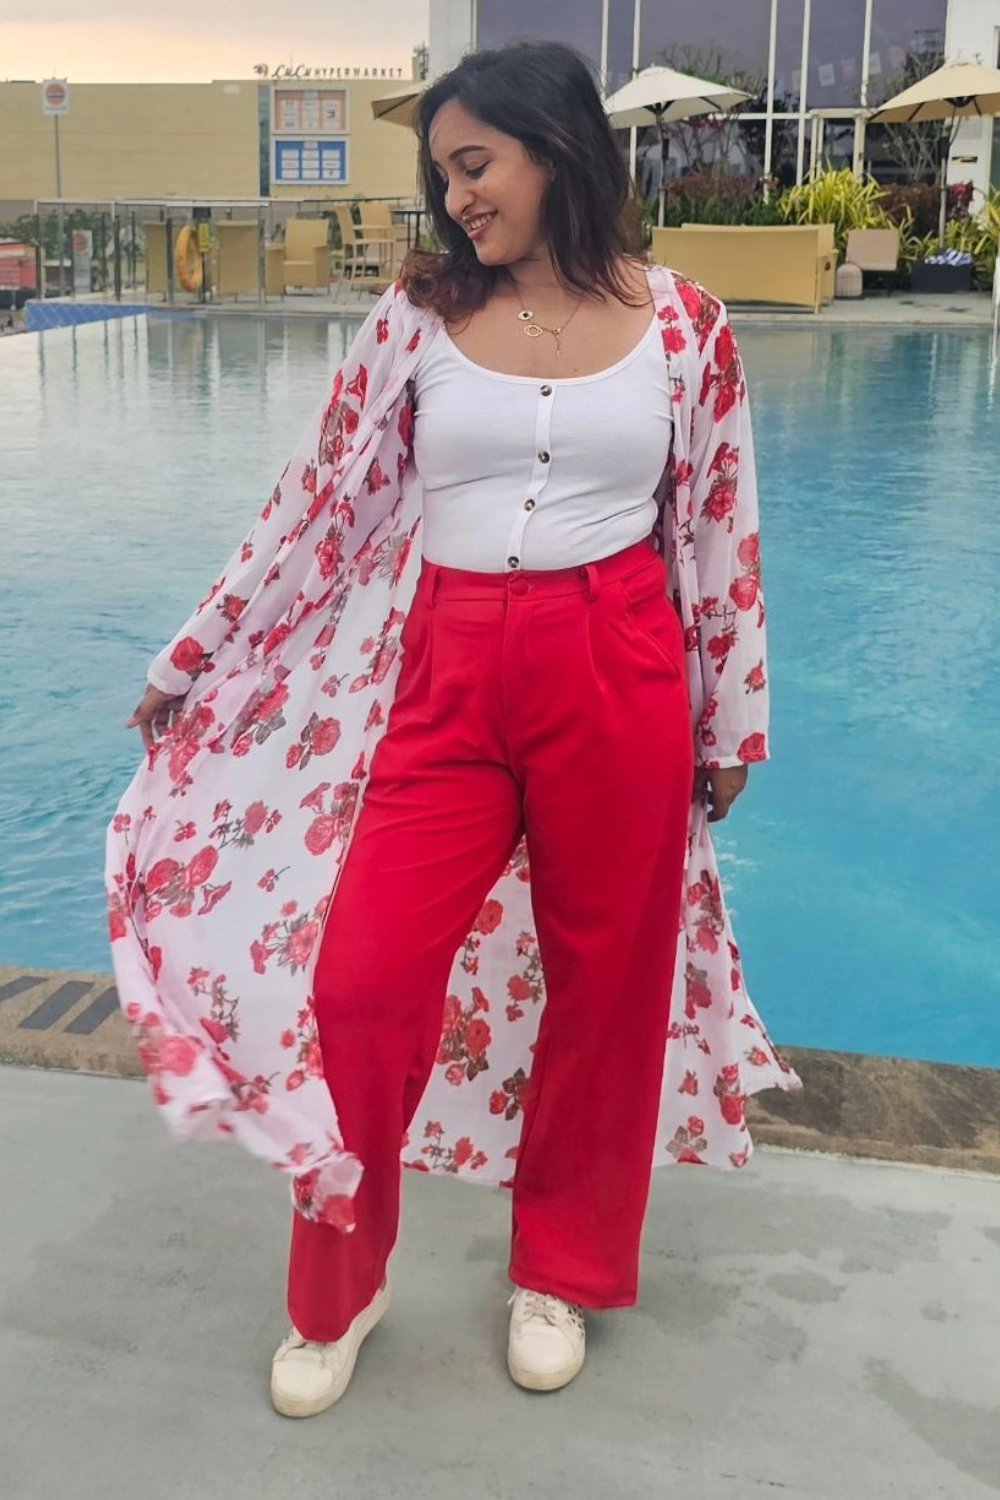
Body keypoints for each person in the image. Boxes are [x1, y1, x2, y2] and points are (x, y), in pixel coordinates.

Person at [110, 41, 797, 1417]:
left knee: (607, 988)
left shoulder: (685, 327)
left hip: (619, 667)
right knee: (360, 980)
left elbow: (720, 531)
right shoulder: (419, 318)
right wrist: (195, 654)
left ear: (555, 149)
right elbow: (313, 507)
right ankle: (339, 1289)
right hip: (449, 672)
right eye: (446, 175)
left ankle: (560, 1267)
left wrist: (733, 720)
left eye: (475, 165)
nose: (457, 198)